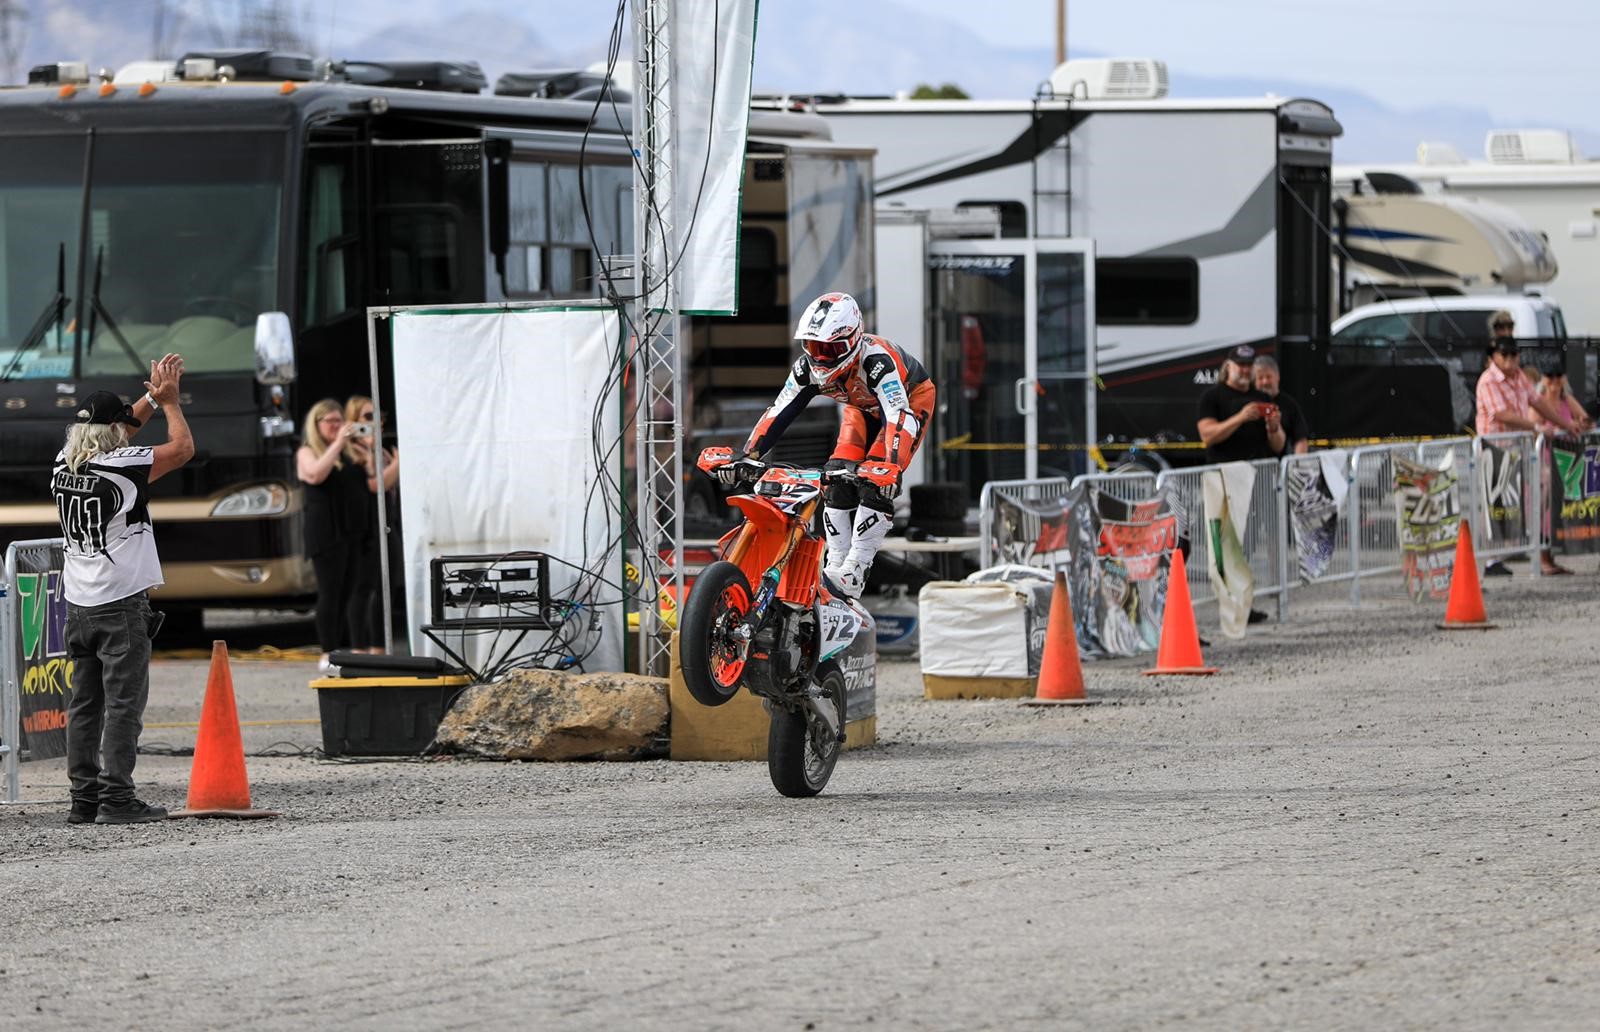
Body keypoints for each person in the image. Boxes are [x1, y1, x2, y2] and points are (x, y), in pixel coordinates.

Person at [713, 292, 936, 598]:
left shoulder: (877, 363)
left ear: (853, 340)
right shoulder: (806, 368)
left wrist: (891, 466)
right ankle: (836, 564)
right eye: (813, 347)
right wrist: (747, 454)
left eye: (830, 349)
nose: (821, 357)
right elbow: (779, 410)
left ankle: (856, 568)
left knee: (876, 479)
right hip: (860, 408)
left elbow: (899, 416)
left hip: (908, 401)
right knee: (836, 474)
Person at [52, 354, 193, 825]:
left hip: (77, 603)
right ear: (116, 432)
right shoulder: (125, 468)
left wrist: (150, 397)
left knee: (85, 705)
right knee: (125, 705)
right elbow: (182, 449)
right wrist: (171, 403)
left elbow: (116, 435)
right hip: (120, 602)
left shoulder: (64, 463)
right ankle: (117, 798)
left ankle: (83, 799)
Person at [1476, 335, 1585, 578]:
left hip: (1518, 450)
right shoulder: (1488, 381)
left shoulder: (1519, 378)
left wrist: (1566, 426)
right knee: (1495, 504)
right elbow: (1501, 414)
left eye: (1515, 354)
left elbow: (1538, 402)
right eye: (1505, 355)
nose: (1511, 359)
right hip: (1495, 451)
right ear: (1493, 356)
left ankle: (1536, 547)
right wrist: (1535, 428)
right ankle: (1491, 559)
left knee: (1541, 488)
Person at [297, 398, 385, 668]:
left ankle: (341, 648)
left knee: (349, 590)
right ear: (317, 424)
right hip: (326, 530)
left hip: (352, 530)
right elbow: (315, 475)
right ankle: (327, 651)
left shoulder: (349, 451)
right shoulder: (307, 451)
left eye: (339, 421)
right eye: (330, 422)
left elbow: (372, 478)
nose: (336, 426)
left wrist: (367, 450)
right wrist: (337, 444)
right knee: (330, 591)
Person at [1532, 360, 1592, 575]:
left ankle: (1552, 557)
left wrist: (1583, 422)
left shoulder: (1567, 399)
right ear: (1543, 379)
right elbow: (1533, 425)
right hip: (1545, 463)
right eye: (1550, 376)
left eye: (1558, 376)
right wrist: (1557, 428)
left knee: (1559, 511)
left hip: (1564, 464)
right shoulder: (1539, 400)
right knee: (1546, 511)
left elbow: (1583, 417)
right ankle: (1543, 558)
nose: (1555, 381)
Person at [1196, 344, 1285, 463]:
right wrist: (1240, 418)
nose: (1246, 370)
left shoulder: (1263, 397)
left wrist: (1274, 428)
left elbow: (1278, 446)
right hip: (1223, 472)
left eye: (1250, 365)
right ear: (1228, 366)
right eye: (1241, 364)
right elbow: (1207, 437)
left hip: (1257, 472)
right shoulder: (1212, 396)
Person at [1250, 354, 1311, 455]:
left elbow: (1300, 438)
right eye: (1260, 378)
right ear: (1254, 381)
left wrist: (1297, 462)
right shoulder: (1249, 403)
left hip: (1279, 466)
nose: (1265, 382)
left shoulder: (1289, 404)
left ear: (1277, 376)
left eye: (1268, 377)